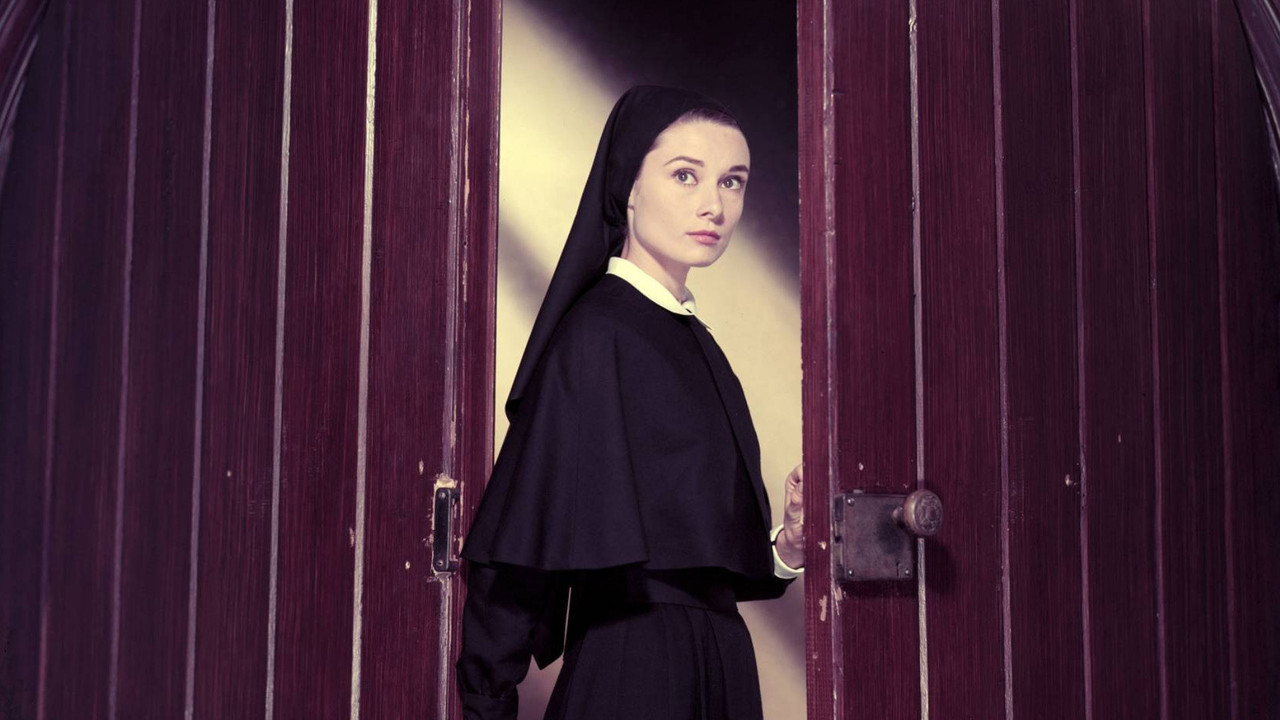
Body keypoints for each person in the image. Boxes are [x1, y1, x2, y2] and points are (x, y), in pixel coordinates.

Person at [456, 85, 805, 720]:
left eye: (732, 181)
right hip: (635, 669)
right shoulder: (596, 336)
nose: (714, 204)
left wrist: (789, 544)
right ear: (630, 188)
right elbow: (517, 552)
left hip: (721, 665)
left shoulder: (690, 336)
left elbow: (701, 557)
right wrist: (487, 700)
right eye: (685, 175)